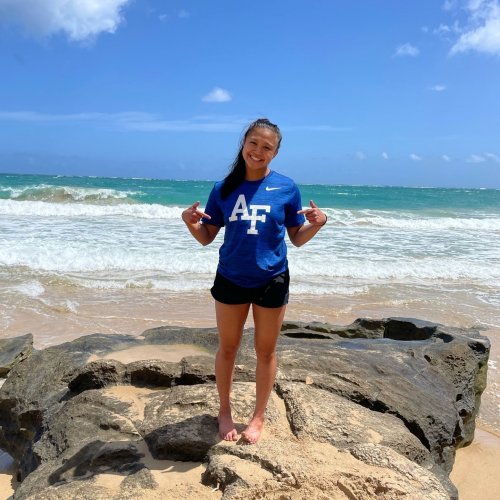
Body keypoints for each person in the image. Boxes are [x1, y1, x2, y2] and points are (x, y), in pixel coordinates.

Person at [181, 118, 327, 444]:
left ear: (275, 153)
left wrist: (317, 224)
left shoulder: (286, 188)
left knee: (266, 351)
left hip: (271, 278)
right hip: (230, 277)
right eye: (254, 143)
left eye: (267, 147)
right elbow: (206, 236)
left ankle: (258, 417)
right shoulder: (223, 188)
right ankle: (224, 411)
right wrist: (190, 223)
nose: (258, 151)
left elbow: (296, 237)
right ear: (244, 143)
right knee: (228, 348)